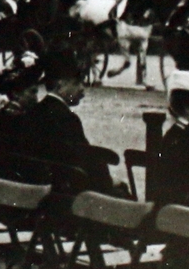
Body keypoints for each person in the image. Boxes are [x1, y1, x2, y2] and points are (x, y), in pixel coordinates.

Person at [14, 47, 118, 193]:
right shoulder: (67, 118)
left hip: (39, 185)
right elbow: (86, 159)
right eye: (76, 83)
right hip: (66, 190)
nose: (82, 88)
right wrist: (108, 186)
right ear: (60, 85)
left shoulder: (32, 112)